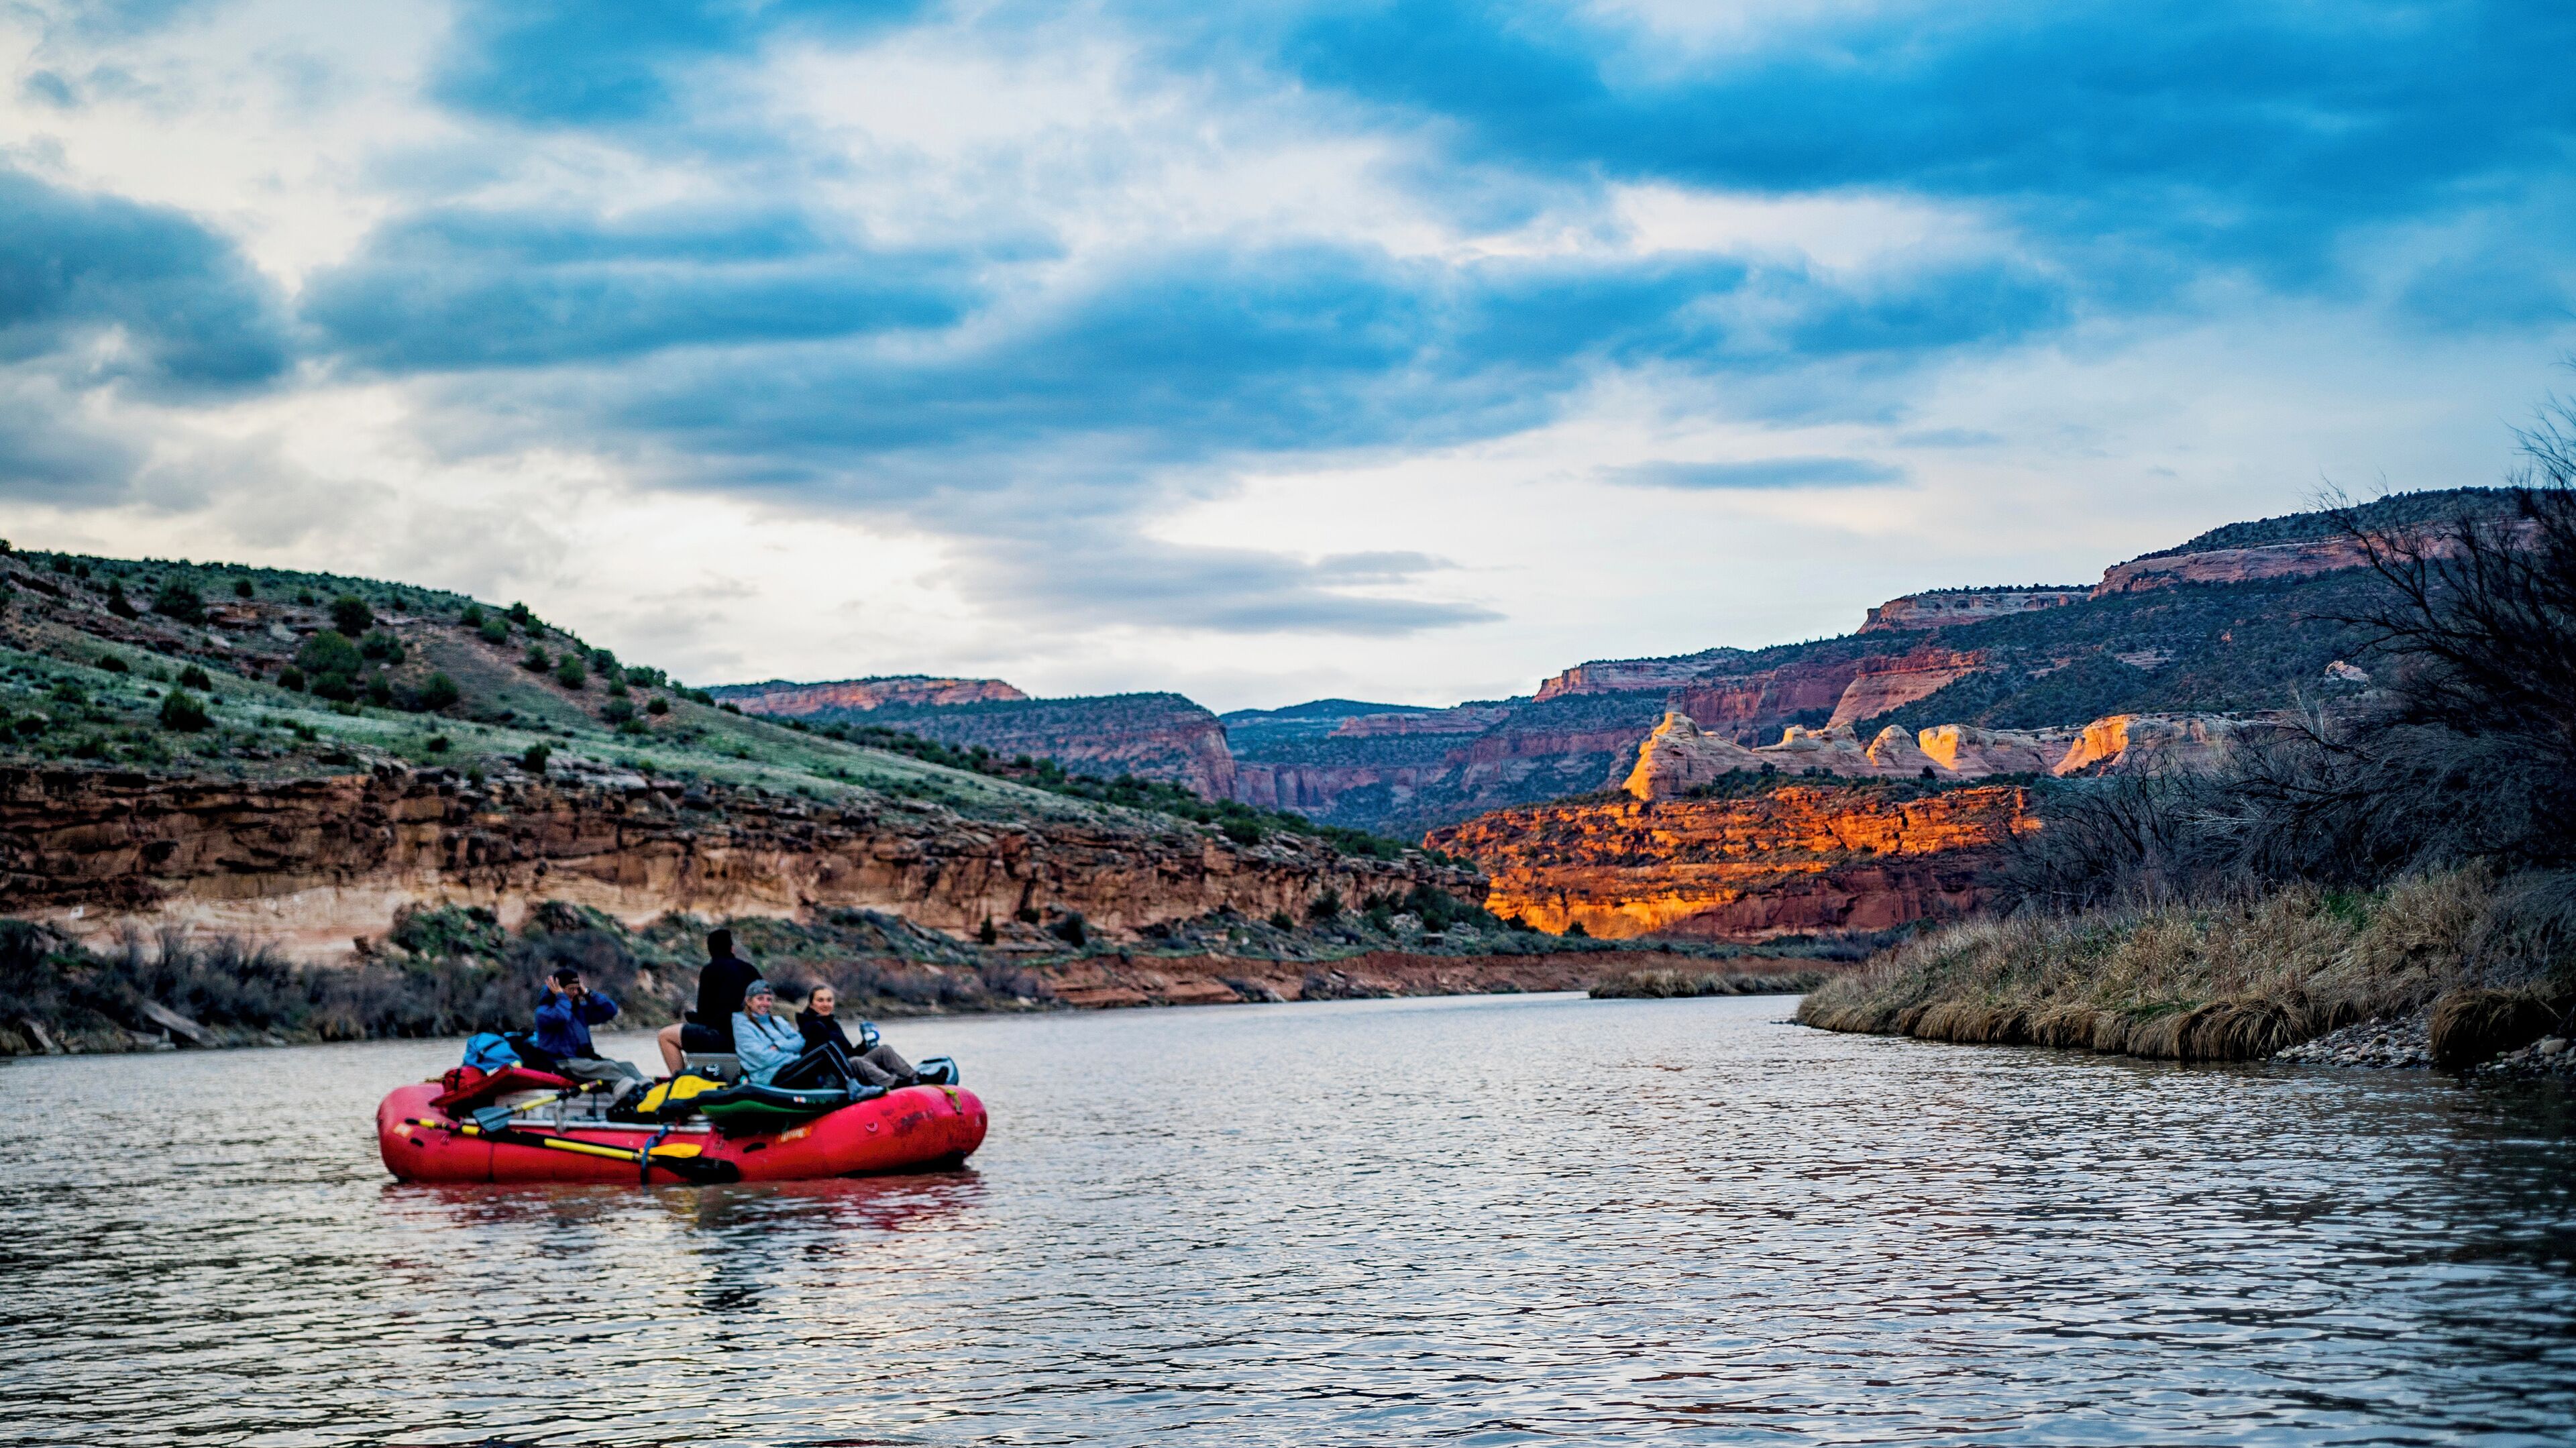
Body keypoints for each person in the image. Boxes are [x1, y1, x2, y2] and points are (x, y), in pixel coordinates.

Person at [657, 928, 761, 1074]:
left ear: (710, 950)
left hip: (722, 1037)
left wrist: (691, 1017)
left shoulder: (710, 970)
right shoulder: (751, 969)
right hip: (751, 1037)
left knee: (665, 1036)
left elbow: (704, 1014)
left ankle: (678, 1082)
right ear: (732, 948)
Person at [528, 966, 643, 1097]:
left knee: (628, 1066)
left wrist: (589, 994)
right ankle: (631, 1095)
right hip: (563, 1064)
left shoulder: (580, 1011)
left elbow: (610, 1010)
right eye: (571, 989)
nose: (576, 992)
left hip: (585, 1061)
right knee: (609, 1068)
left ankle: (647, 1088)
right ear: (557, 991)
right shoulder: (544, 1013)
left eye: (577, 988)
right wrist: (561, 996)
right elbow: (561, 1016)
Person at [796, 985, 918, 1089]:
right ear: (812, 1005)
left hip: (849, 1064)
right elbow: (824, 1057)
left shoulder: (833, 1025)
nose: (826, 1004)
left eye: (829, 1000)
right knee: (856, 1062)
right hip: (832, 1075)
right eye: (820, 1000)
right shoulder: (809, 1027)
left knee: (884, 1050)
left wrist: (865, 1043)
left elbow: (850, 1052)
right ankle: (894, 1084)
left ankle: (914, 1077)